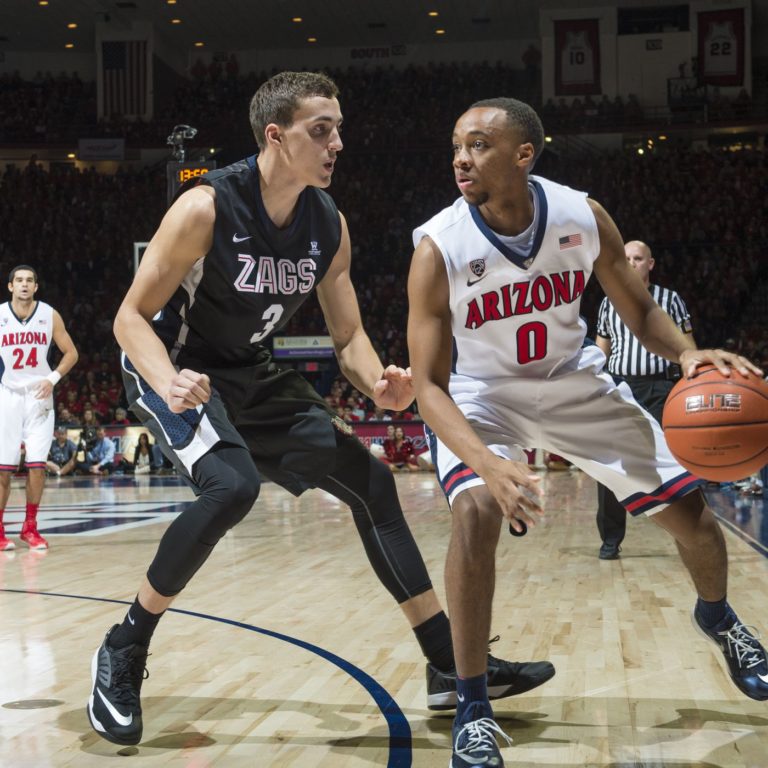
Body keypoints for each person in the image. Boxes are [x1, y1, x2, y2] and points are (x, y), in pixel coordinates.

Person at [86, 72, 554, 748]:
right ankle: (123, 646)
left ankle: (448, 666)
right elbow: (130, 317)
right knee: (232, 487)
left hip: (250, 374)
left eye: (339, 129)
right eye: (321, 130)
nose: (337, 143)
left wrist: (378, 384)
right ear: (276, 136)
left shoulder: (328, 224)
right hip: (173, 367)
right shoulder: (205, 207)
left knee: (373, 484)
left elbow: (348, 338)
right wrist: (167, 380)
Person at [406, 96, 768, 767]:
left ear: (524, 154)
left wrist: (686, 353)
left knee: (692, 517)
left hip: (576, 383)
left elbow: (637, 309)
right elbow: (428, 384)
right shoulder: (439, 248)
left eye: (479, 144)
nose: (461, 158)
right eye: (457, 144)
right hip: (486, 399)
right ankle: (473, 705)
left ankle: (719, 616)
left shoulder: (579, 214)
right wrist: (486, 461)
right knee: (477, 513)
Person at [595, 240, 694, 559]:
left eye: (638, 258)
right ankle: (611, 538)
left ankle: (688, 532)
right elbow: (601, 350)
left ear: (650, 264)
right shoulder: (608, 302)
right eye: (626, 258)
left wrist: (690, 386)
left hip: (661, 390)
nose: (632, 262)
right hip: (620, 388)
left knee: (675, 463)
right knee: (610, 466)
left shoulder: (671, 300)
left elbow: (687, 348)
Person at [0, 265, 78, 551]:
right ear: (10, 286)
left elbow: (71, 353)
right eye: (18, 280)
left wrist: (53, 378)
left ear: (36, 286)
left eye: (29, 280)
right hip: (7, 395)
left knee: (36, 465)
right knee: (3, 468)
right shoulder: (0, 316)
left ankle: (30, 527)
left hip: (39, 396)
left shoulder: (49, 314)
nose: (23, 284)